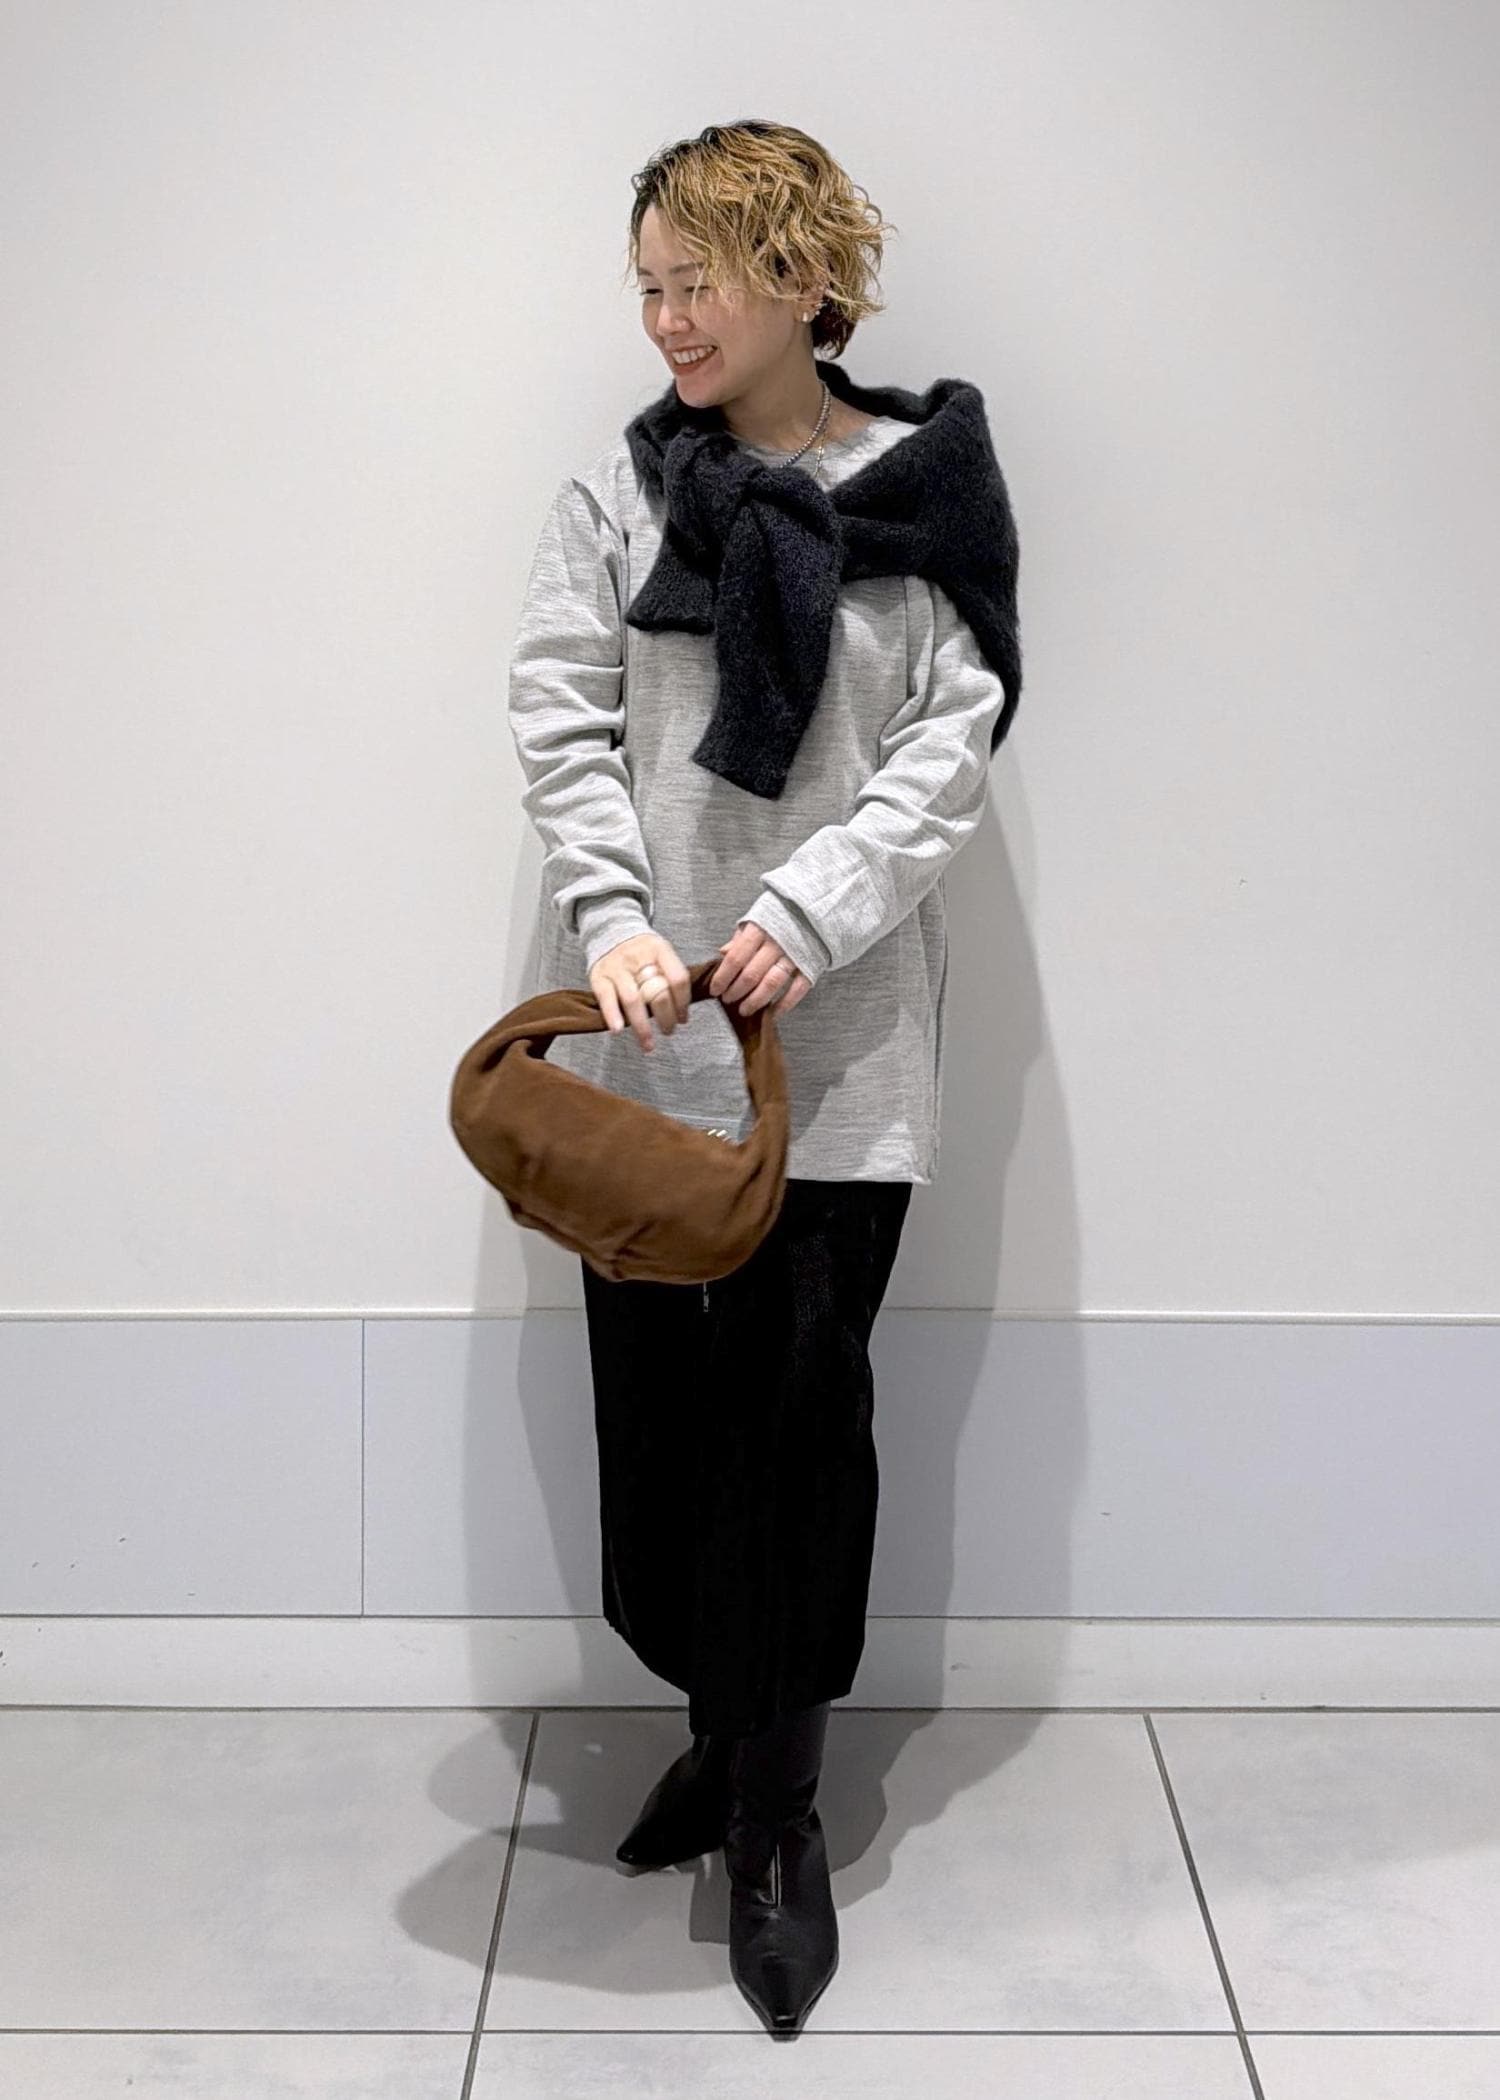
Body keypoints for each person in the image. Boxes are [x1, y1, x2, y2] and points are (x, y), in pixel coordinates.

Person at [506, 118, 1021, 2038]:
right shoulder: (618, 495)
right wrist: (614, 913)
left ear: (803, 277)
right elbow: (559, 714)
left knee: (799, 1426)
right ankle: (720, 1732)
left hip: (844, 1051)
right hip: (651, 1052)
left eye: (696, 282)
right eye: (646, 285)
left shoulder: (929, 496)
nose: (664, 319)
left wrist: (808, 913)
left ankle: (781, 1811)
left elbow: (952, 745)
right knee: (661, 1420)